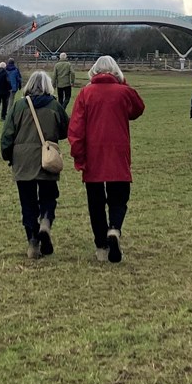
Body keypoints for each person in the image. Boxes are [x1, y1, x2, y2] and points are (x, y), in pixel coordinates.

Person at [68, 56, 145, 264]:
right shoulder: (123, 92)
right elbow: (137, 108)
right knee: (119, 198)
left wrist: (78, 155)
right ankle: (115, 228)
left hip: (93, 155)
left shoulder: (85, 93)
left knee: (95, 203)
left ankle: (101, 245)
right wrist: (123, 83)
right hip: (118, 153)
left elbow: (75, 129)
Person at [0, 71, 70, 259]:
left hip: (23, 160)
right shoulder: (55, 105)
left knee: (27, 202)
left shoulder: (18, 106)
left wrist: (8, 155)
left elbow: (7, 134)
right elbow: (66, 129)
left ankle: (32, 242)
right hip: (46, 158)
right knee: (49, 195)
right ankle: (46, 220)